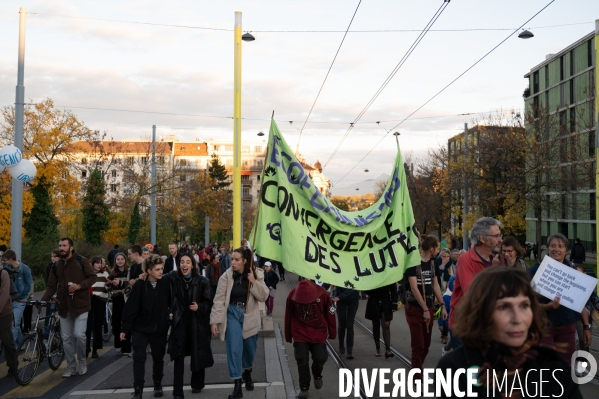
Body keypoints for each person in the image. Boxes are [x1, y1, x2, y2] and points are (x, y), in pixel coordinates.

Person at [437, 267, 582, 398]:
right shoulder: (454, 368)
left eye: (524, 305)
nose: (517, 319)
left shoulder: (555, 367)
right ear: (481, 313)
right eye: (503, 307)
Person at [210, 247, 269, 399]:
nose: (233, 263)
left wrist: (253, 282)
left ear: (244, 261)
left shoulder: (257, 274)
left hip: (249, 315)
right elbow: (219, 299)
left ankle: (247, 372)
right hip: (232, 314)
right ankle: (237, 384)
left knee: (249, 349)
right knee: (234, 348)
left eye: (236, 260)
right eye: (232, 259)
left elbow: (264, 296)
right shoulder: (226, 276)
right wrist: (215, 321)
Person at [528, 233, 592, 362]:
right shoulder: (536, 270)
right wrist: (548, 306)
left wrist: (586, 327)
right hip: (544, 326)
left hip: (567, 327)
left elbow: (580, 302)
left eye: (560, 246)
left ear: (566, 250)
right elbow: (527, 303)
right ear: (548, 249)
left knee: (565, 367)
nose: (556, 249)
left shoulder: (574, 271)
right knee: (544, 366)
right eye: (553, 246)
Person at [40, 237, 97, 377]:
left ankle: (82, 361)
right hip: (64, 306)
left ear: (71, 247)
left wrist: (80, 286)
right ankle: (71, 366)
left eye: (64, 245)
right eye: (60, 245)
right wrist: (43, 301)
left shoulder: (81, 261)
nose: (61, 248)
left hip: (81, 304)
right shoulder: (56, 265)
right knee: (66, 338)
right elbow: (51, 286)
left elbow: (93, 277)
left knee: (79, 334)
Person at [121, 254, 172, 399]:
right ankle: (138, 389)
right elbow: (131, 308)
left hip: (159, 328)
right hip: (140, 328)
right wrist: (125, 329)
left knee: (158, 358)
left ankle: (157, 384)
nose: (161, 272)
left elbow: (171, 302)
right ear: (148, 271)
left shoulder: (165, 283)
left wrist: (168, 320)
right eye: (157, 269)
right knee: (139, 358)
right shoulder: (139, 285)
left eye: (161, 268)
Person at [164, 253, 214, 398]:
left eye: (187, 262)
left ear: (193, 264)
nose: (184, 265)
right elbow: (158, 275)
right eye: (182, 262)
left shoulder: (202, 281)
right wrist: (144, 276)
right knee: (178, 356)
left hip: (197, 323)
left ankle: (197, 384)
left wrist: (200, 307)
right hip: (179, 323)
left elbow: (209, 303)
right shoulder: (174, 277)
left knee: (197, 352)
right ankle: (177, 391)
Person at [449, 217, 503, 346]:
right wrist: (493, 271)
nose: (500, 240)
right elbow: (472, 293)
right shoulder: (465, 259)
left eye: (500, 235)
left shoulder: (496, 260)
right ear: (482, 238)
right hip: (464, 326)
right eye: (496, 236)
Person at [285, 279, 336, 399]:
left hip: (318, 332)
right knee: (301, 360)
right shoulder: (291, 295)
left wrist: (333, 332)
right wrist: (288, 335)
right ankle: (304, 388)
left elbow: (331, 313)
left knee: (320, 358)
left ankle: (316, 373)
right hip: (300, 332)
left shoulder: (323, 294)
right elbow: (288, 315)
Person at [404, 234, 447, 379]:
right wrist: (424, 309)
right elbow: (414, 288)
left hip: (429, 306)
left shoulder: (432, 263)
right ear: (431, 247)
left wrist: (442, 305)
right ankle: (416, 379)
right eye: (437, 248)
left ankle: (416, 369)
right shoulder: (413, 262)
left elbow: (435, 284)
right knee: (418, 345)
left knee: (426, 344)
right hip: (415, 307)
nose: (439, 251)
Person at [1, 250, 33, 346]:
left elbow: (28, 285)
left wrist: (21, 295)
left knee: (13, 325)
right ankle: (20, 343)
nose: (4, 262)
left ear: (10, 259)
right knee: (16, 323)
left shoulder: (25, 269)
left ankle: (11, 347)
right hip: (11, 300)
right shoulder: (7, 268)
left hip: (20, 300)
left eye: (5, 260)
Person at [105, 252, 132, 355]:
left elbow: (131, 284)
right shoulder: (112, 273)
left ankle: (126, 347)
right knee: (116, 323)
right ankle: (119, 343)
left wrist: (121, 284)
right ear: (115, 261)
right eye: (118, 259)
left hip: (126, 299)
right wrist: (108, 284)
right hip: (116, 300)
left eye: (122, 259)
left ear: (125, 260)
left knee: (125, 322)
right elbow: (108, 288)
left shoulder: (129, 271)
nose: (120, 261)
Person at [365, 282, 398, 358]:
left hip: (385, 301)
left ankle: (388, 349)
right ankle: (378, 348)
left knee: (386, 325)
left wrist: (394, 302)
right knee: (376, 325)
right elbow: (366, 289)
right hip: (373, 301)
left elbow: (393, 288)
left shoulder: (388, 273)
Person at [85, 256, 109, 358]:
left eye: (100, 263)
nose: (99, 265)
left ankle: (95, 349)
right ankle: (86, 348)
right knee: (87, 326)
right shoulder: (88, 275)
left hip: (100, 301)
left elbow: (108, 289)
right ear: (92, 264)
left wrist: (108, 285)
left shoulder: (105, 274)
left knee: (97, 326)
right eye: (97, 263)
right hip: (89, 301)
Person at [0, 262, 17, 378]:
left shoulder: (3, 273)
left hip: (4, 312)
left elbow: (4, 295)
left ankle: (13, 364)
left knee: (7, 340)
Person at [332, 285, 359, 359]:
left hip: (352, 299)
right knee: (342, 325)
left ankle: (349, 350)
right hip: (340, 300)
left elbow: (354, 286)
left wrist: (339, 297)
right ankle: (341, 344)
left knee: (350, 326)